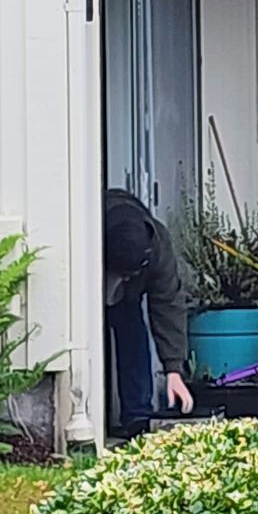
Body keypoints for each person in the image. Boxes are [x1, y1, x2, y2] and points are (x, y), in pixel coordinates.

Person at [102, 186, 194, 434]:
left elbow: (168, 305)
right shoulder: (90, 231)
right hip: (89, 286)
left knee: (132, 332)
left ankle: (137, 416)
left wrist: (173, 369)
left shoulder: (158, 247)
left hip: (130, 295)